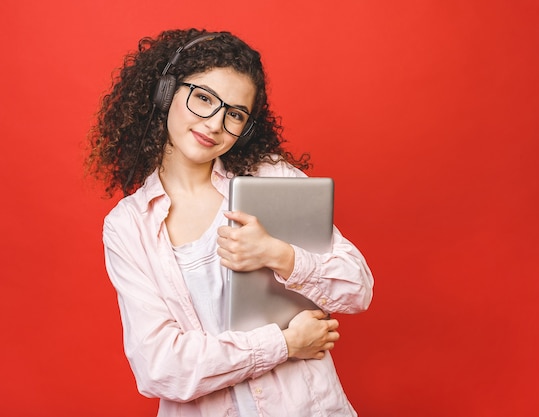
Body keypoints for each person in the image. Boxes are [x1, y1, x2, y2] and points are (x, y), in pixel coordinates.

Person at [86, 28, 374, 417]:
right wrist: (285, 344)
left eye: (234, 114)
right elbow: (160, 368)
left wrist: (280, 254)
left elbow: (358, 290)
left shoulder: (270, 178)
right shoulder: (128, 226)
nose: (214, 124)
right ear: (166, 92)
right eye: (203, 98)